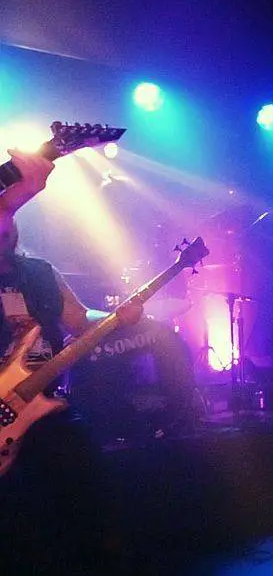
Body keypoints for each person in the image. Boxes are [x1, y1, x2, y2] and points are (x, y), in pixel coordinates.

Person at [0, 149, 142, 574]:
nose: (5, 225)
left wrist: (116, 316)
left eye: (9, 221)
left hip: (44, 407)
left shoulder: (39, 272)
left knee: (89, 497)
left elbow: (80, 319)